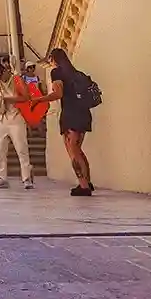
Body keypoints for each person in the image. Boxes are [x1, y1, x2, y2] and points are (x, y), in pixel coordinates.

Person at [35, 48, 95, 196]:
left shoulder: (56, 72)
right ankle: (87, 182)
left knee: (72, 151)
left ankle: (83, 185)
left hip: (70, 114)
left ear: (53, 59)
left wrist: (39, 99)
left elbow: (58, 93)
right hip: (84, 113)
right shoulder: (78, 74)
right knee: (78, 149)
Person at [0, 61, 34, 189]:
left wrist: (8, 99)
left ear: (5, 71)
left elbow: (26, 97)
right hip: (2, 119)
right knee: (0, 150)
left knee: (21, 149)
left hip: (17, 118)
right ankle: (2, 177)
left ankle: (26, 178)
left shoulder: (16, 79)